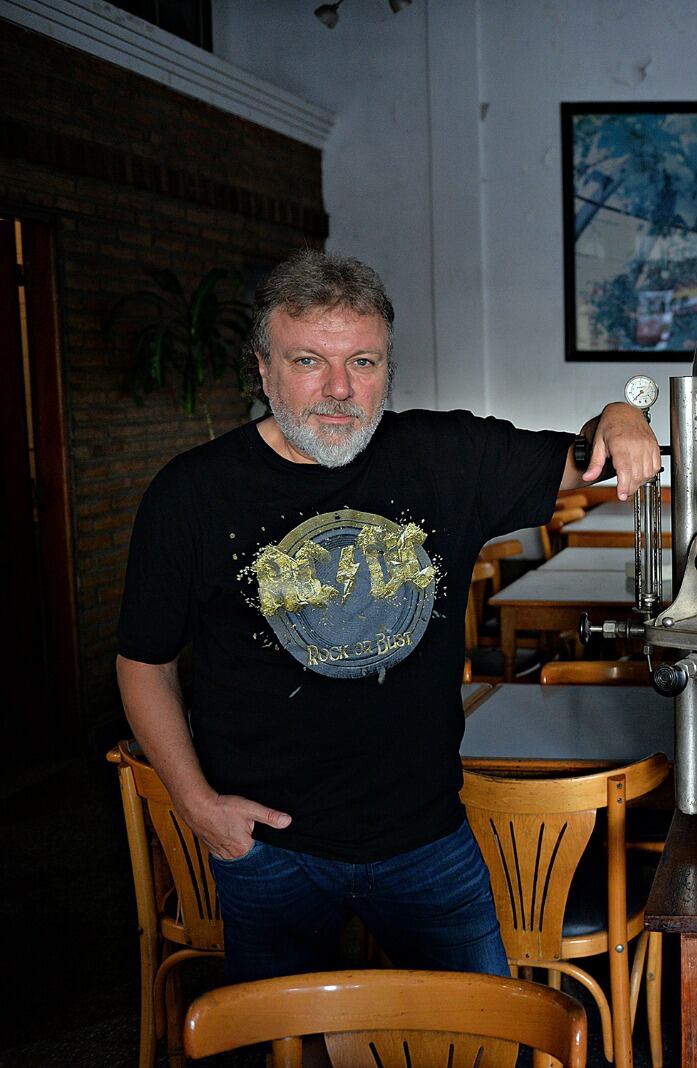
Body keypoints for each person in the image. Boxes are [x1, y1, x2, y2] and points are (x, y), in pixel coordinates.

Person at [115, 249, 661, 983]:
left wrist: (624, 414)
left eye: (364, 362)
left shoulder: (447, 458)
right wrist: (199, 806)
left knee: (480, 1041)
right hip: (268, 847)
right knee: (286, 1042)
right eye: (309, 360)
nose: (339, 389)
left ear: (387, 368)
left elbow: (591, 454)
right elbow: (142, 663)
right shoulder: (191, 494)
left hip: (425, 837)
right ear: (263, 367)